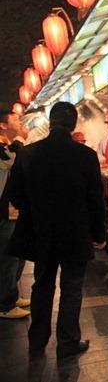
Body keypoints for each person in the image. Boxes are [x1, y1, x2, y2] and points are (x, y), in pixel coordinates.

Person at [6, 102, 106, 358]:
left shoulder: (27, 154)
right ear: (73, 125)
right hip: (75, 233)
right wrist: (99, 234)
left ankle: (37, 341)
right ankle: (68, 342)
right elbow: (95, 199)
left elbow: (14, 196)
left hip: (41, 234)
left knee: (42, 285)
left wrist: (36, 207)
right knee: (72, 287)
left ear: (50, 123)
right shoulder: (85, 156)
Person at [0, 112, 29, 319]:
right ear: (3, 125)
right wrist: (20, 140)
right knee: (7, 256)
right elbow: (10, 162)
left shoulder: (7, 145)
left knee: (14, 255)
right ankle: (5, 304)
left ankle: (11, 293)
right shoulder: (4, 148)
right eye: (15, 120)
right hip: (3, 211)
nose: (20, 123)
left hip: (11, 210)